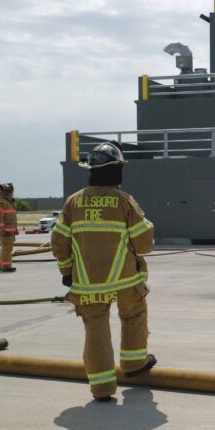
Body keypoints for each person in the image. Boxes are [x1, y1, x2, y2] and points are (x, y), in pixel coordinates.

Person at [51, 141, 156, 402]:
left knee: (95, 329)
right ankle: (134, 363)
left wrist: (67, 272)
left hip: (88, 284)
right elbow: (144, 244)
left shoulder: (73, 202)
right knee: (133, 315)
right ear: (118, 170)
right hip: (125, 281)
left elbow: (59, 241)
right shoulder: (124, 201)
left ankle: (102, 388)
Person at [0, 183, 18, 273]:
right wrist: (2, 229)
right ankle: (5, 267)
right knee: (6, 248)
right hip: (5, 231)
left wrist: (15, 229)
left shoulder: (9, 203)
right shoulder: (1, 203)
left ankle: (4, 266)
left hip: (10, 231)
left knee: (7, 249)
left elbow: (12, 217)